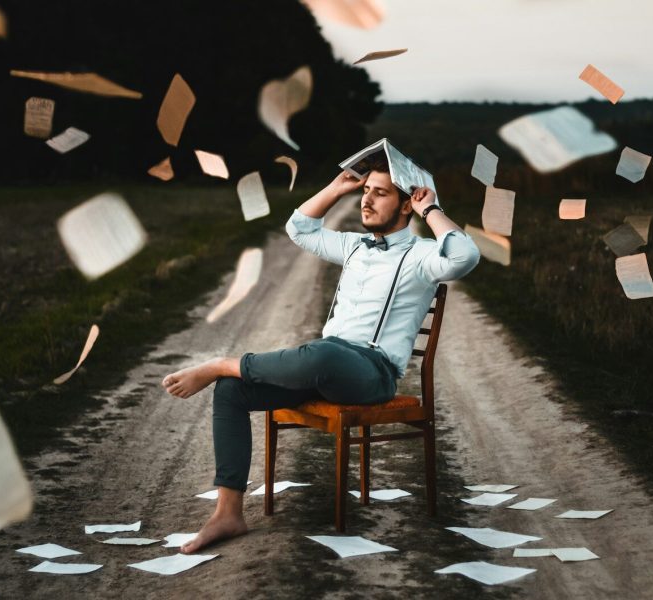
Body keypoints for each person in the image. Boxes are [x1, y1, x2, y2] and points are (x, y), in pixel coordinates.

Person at [162, 157, 480, 553]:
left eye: (379, 193)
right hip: (326, 365)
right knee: (232, 391)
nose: (367, 201)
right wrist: (336, 188)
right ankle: (228, 514)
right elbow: (298, 229)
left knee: (319, 356)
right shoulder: (353, 246)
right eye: (366, 191)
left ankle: (223, 364)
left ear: (405, 204)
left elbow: (465, 257)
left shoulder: (422, 255)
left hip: (371, 373)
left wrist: (430, 209)